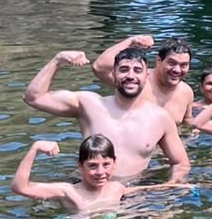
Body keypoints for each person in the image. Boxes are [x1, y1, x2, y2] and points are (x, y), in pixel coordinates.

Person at [23, 47, 191, 183]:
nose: (130, 76)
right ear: (114, 74)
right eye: (123, 70)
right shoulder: (89, 104)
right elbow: (34, 97)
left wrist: (171, 186)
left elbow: (181, 163)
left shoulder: (160, 118)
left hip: (133, 194)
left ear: (146, 76)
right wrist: (57, 60)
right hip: (85, 188)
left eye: (137, 70)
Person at [91, 34, 194, 126]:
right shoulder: (136, 81)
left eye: (183, 65)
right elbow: (99, 67)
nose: (177, 70)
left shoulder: (186, 92)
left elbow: (187, 121)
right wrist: (131, 41)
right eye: (171, 63)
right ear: (158, 60)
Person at [11, 135, 127, 215]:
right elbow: (20, 188)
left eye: (106, 164)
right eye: (92, 166)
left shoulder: (116, 188)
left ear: (114, 163)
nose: (100, 172)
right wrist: (34, 149)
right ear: (80, 166)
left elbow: (135, 192)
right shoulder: (68, 191)